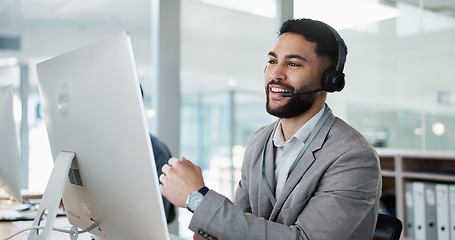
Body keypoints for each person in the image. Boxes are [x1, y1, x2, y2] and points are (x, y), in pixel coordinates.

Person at [160, 18, 381, 240]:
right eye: (272, 61)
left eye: (293, 64)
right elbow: (239, 228)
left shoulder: (354, 157)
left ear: (329, 80)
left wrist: (198, 199)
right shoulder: (260, 140)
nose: (276, 74)